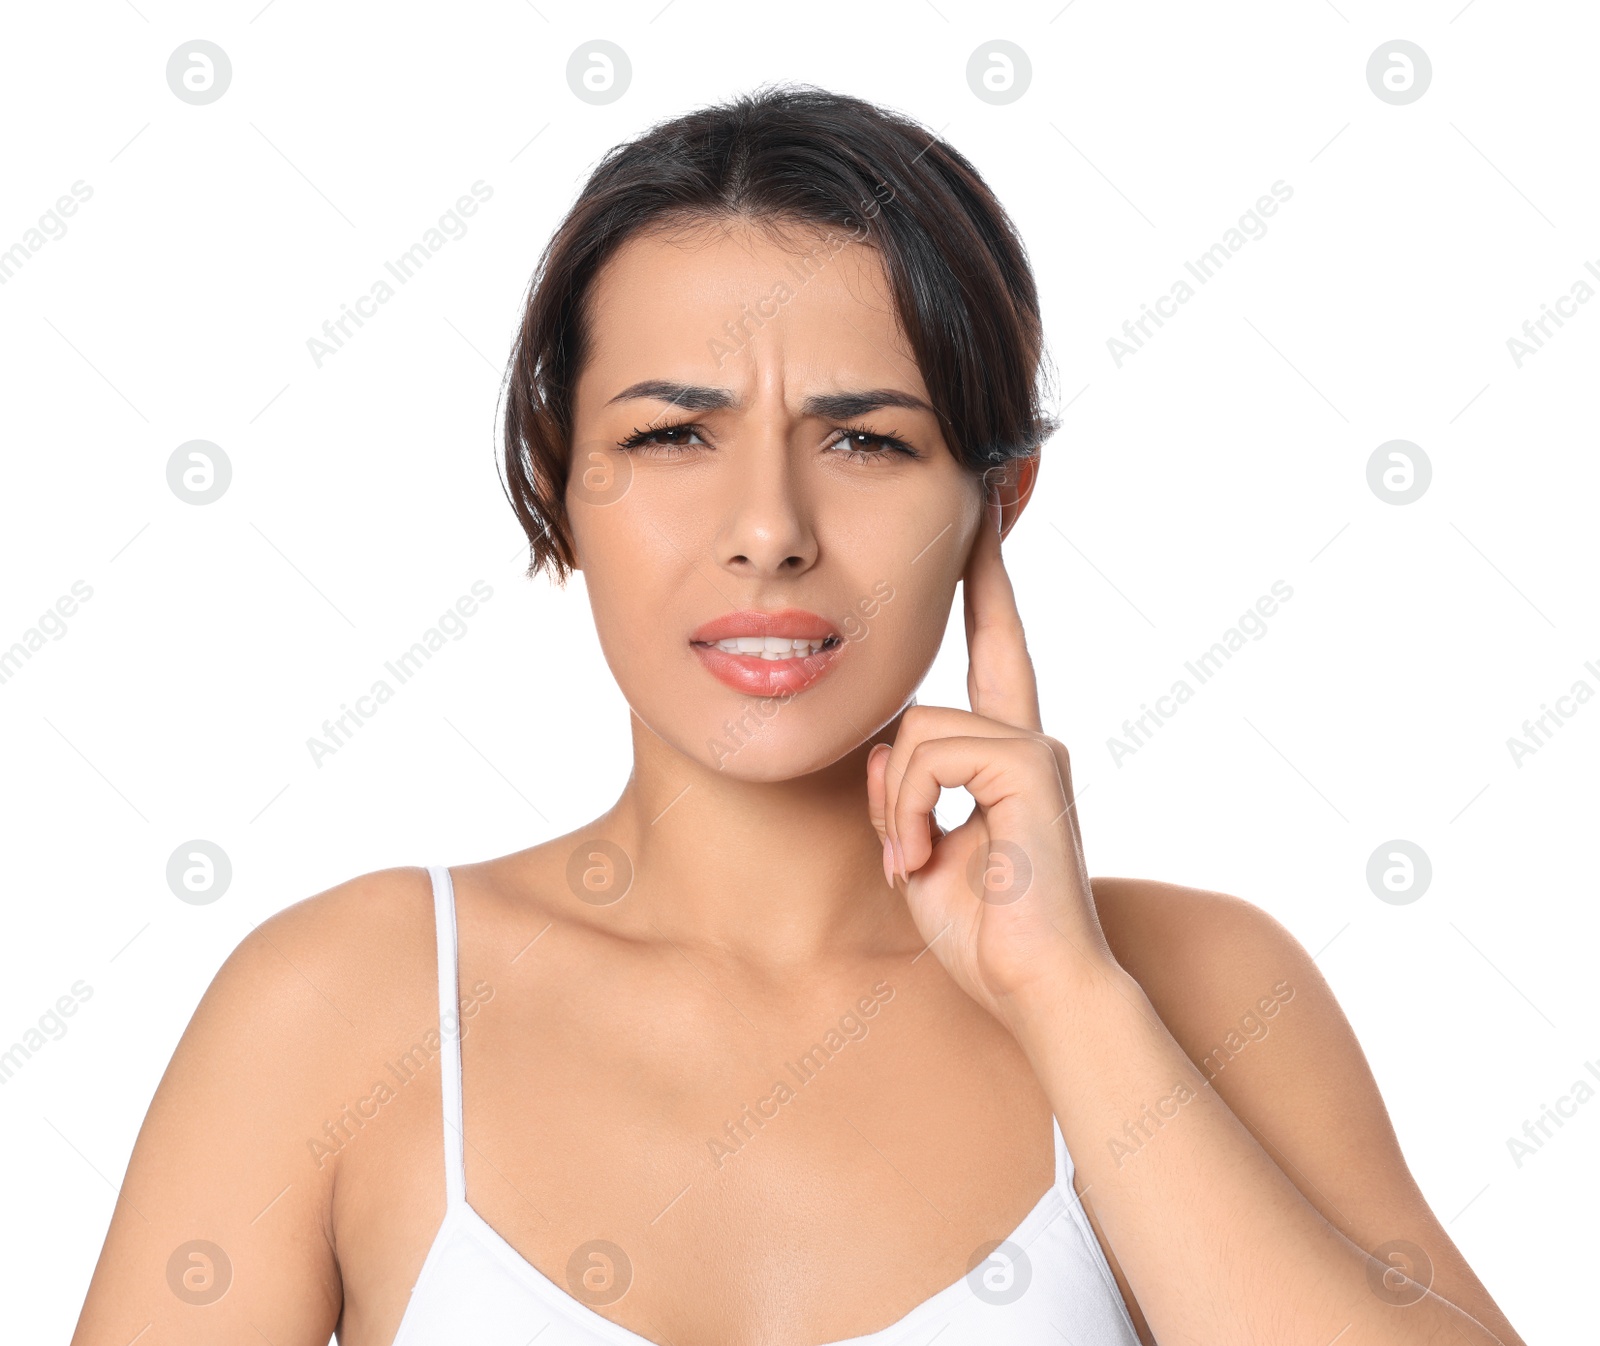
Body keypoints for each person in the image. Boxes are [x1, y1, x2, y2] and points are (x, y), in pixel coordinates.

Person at [71, 84, 1525, 1346]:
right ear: (559, 475)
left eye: (864, 438)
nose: (768, 527)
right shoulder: (340, 1006)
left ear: (994, 500)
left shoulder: (1201, 986)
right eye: (671, 435)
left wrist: (1071, 1001)